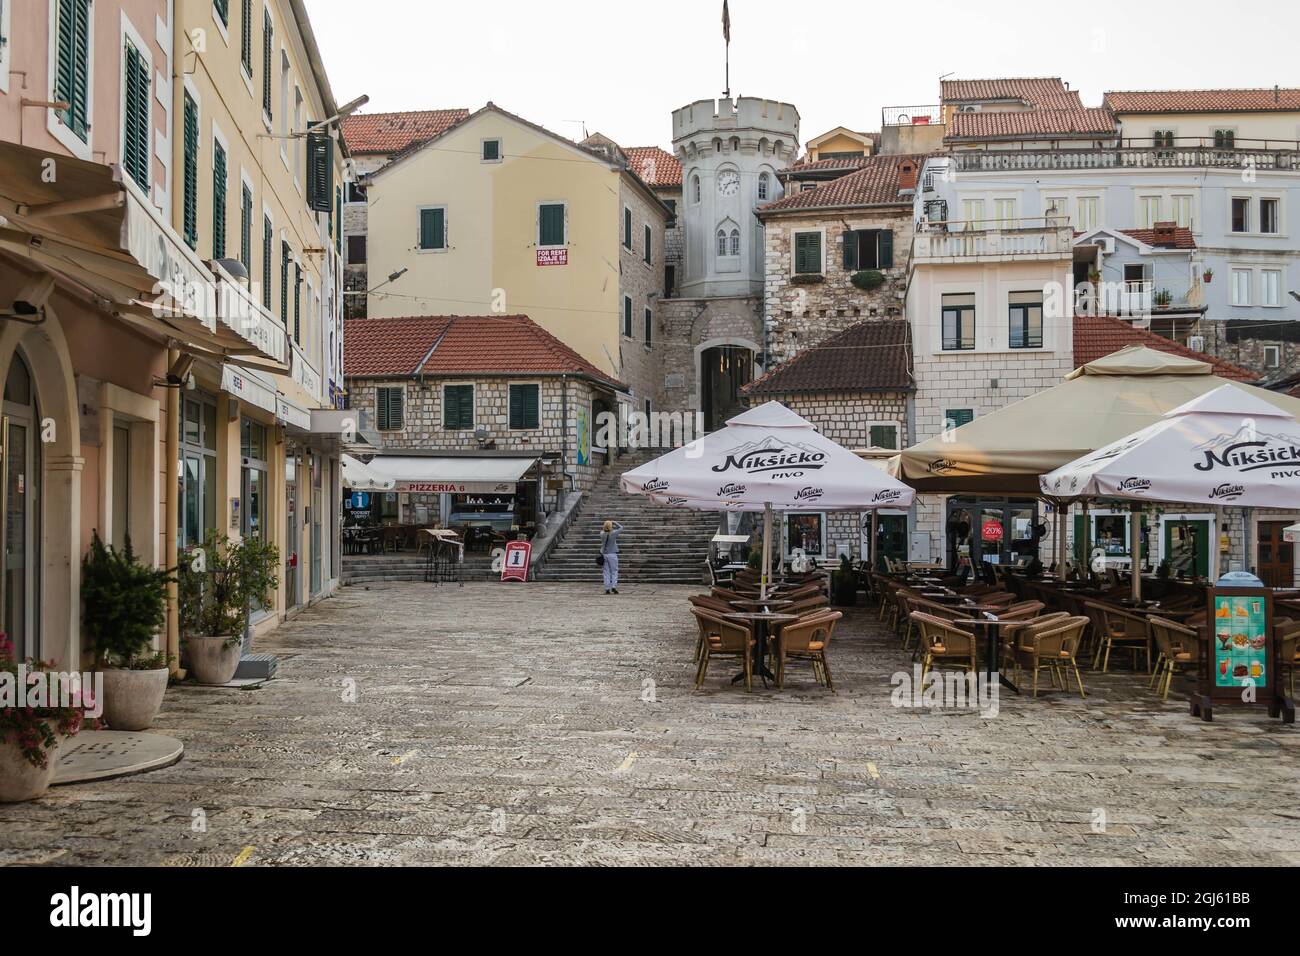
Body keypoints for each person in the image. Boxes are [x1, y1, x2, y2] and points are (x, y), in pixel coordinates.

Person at [600, 520, 623, 594]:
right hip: (612, 554)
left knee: (606, 572)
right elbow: (621, 527)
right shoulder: (614, 533)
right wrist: (615, 522)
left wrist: (607, 524)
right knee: (614, 571)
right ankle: (613, 586)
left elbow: (604, 531)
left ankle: (607, 588)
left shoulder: (601, 533)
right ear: (611, 526)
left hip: (604, 554)